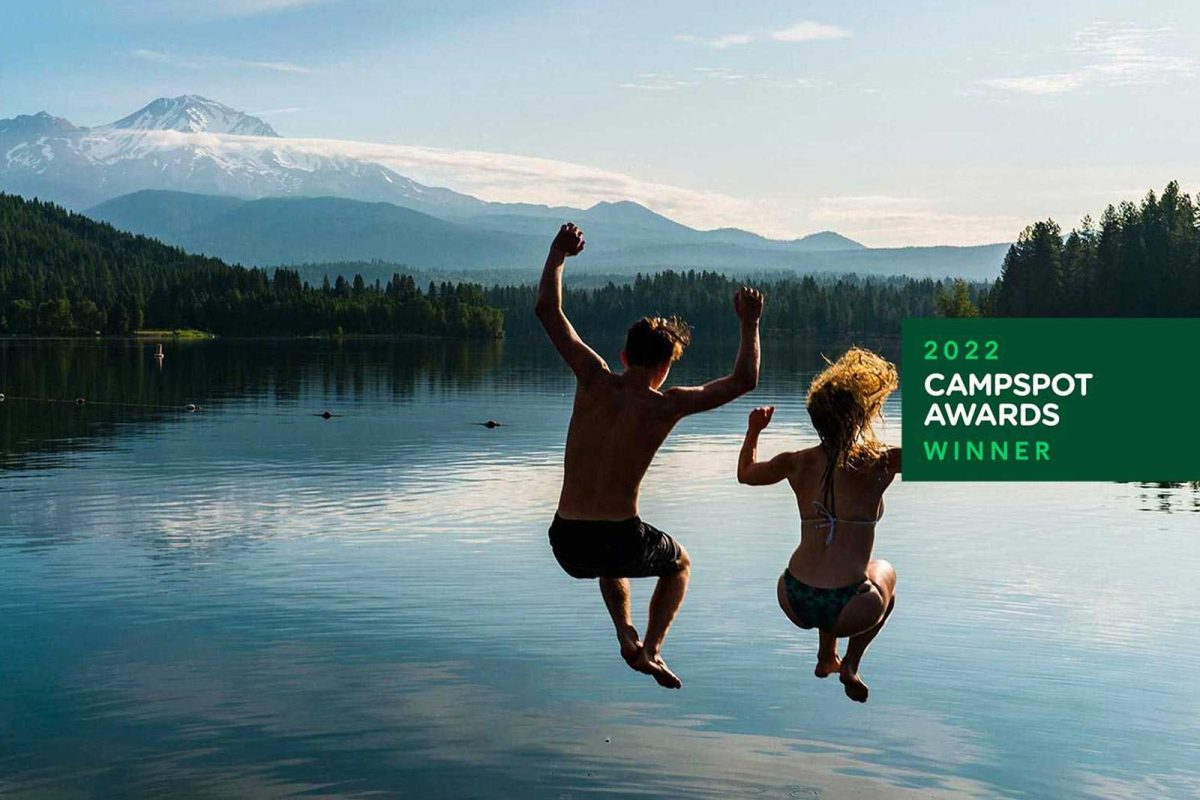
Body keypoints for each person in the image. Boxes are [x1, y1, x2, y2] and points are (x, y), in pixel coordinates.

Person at [537, 222, 763, 689]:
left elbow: (547, 310)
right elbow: (744, 381)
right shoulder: (666, 404)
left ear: (622, 355)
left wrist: (558, 253)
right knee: (678, 563)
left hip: (565, 539)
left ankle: (625, 634)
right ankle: (652, 650)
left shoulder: (592, 377)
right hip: (618, 534)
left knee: (609, 561)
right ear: (664, 368)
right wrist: (749, 324)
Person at [736, 347, 900, 703]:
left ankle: (827, 657)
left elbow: (745, 474)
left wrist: (753, 430)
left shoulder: (796, 462)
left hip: (793, 595)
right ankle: (850, 665)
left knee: (834, 576)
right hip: (851, 609)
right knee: (884, 572)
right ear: (860, 418)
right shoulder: (879, 463)